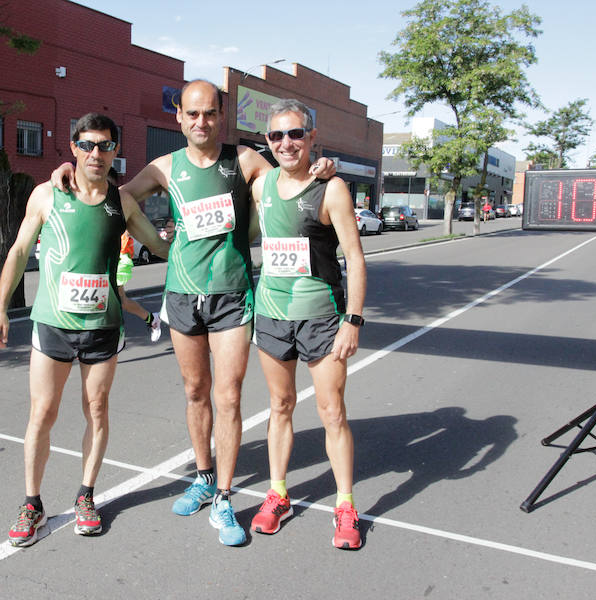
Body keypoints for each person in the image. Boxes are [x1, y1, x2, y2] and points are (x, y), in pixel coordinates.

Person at [52, 79, 334, 546]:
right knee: (195, 391)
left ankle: (224, 497)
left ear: (221, 117)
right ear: (179, 118)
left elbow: (289, 182)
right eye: (193, 114)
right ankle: (203, 477)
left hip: (231, 295)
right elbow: (108, 194)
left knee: (228, 397)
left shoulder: (244, 160)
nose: (201, 121)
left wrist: (320, 165)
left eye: (210, 113)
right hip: (182, 294)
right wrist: (70, 166)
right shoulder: (163, 167)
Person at [0, 113, 169, 547]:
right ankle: (32, 504)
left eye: (104, 145)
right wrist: (0, 309)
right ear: (73, 148)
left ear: (115, 151)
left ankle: (86, 496)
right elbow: (18, 251)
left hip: (103, 327)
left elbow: (158, 246)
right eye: (87, 144)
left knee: (98, 410)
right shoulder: (48, 193)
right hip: (53, 324)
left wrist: (198, 238)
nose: (95, 153)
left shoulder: (122, 202)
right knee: (42, 413)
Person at [248, 99, 366, 549]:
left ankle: (345, 504)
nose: (286, 143)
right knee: (280, 405)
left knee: (332, 411)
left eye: (295, 134)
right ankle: (277, 494)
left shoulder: (331, 188)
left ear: (311, 137)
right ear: (267, 141)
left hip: (321, 317)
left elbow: (355, 258)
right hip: (272, 315)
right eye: (276, 135)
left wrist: (352, 320)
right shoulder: (261, 184)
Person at [117, 230, 162, 342]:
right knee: (120, 302)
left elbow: (131, 223)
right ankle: (152, 319)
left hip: (117, 253)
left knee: (118, 301)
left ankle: (114, 339)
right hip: (97, 252)